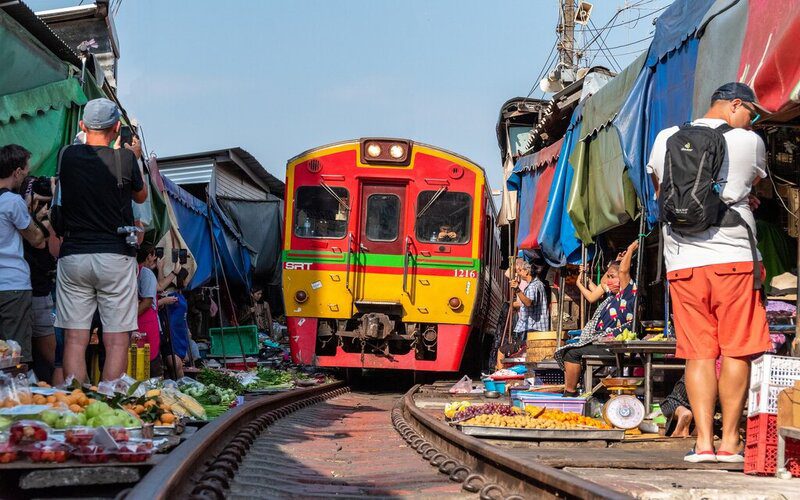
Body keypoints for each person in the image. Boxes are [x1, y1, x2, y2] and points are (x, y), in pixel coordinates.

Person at [648, 82, 771, 463]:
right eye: (750, 112)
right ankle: (729, 441)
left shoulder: (666, 137)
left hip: (683, 262)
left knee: (698, 353)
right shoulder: (747, 142)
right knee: (737, 349)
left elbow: (660, 191)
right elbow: (753, 186)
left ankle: (702, 443)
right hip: (732, 259)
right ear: (735, 105)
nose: (751, 121)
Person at [54, 98, 147, 382]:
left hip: (73, 256)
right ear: (117, 127)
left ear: (82, 126)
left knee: (74, 340)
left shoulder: (66, 155)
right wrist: (135, 157)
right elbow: (141, 196)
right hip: (114, 256)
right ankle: (110, 407)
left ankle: (75, 408)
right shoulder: (125, 159)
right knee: (117, 341)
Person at [554, 240, 639, 397]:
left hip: (615, 346)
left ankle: (570, 392)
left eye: (612, 277)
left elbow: (623, 272)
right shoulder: (613, 295)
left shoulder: (628, 292)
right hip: (602, 342)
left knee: (571, 353)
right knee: (570, 351)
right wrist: (615, 263)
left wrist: (631, 249)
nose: (608, 281)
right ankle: (573, 389)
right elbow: (601, 283)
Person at [0, 145, 47, 365]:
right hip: (13, 286)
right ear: (16, 171)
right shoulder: (12, 202)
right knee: (15, 354)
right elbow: (37, 240)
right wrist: (34, 216)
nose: (27, 173)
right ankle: (18, 398)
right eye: (26, 169)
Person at [20, 176, 59, 383]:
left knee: (49, 360)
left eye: (47, 203)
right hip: (33, 295)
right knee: (52, 359)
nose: (44, 208)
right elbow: (39, 243)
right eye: (40, 202)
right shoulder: (22, 220)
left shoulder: (44, 222)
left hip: (39, 294)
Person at [507, 260, 549, 353]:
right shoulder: (536, 284)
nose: (519, 273)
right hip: (533, 328)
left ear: (526, 271)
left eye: (520, 270)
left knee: (506, 352)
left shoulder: (533, 286)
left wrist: (517, 290)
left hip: (532, 328)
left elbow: (528, 303)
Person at [136, 245, 163, 376]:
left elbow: (147, 302)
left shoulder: (145, 273)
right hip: (138, 322)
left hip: (146, 323)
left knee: (149, 359)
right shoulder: (138, 272)